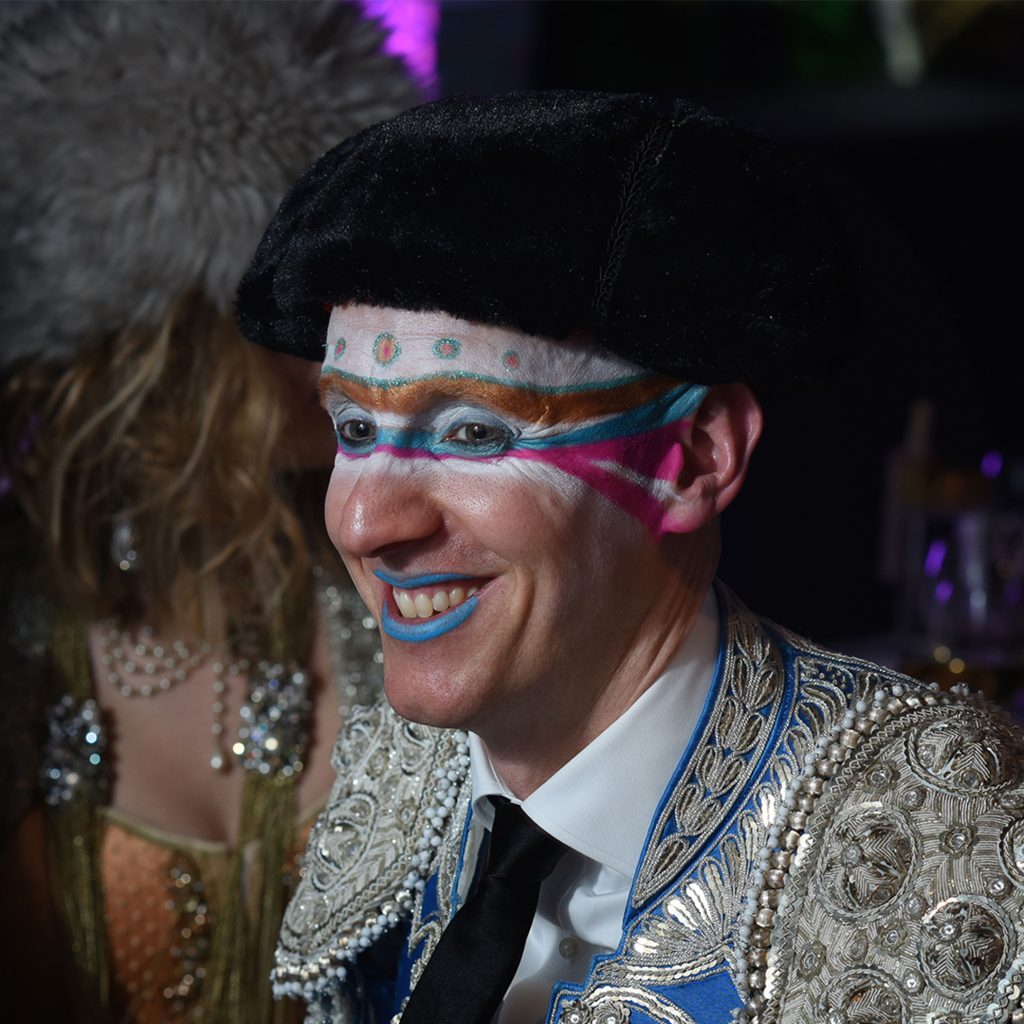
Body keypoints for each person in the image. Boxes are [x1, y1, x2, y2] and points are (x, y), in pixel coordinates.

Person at [235, 92, 1024, 1024]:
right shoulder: (402, 768)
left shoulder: (942, 843)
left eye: (475, 432)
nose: (365, 521)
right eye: (355, 428)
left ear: (691, 459)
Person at [0, 3, 419, 1021]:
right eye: (310, 296)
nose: (361, 337)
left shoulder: (408, 581)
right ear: (172, 341)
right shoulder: (16, 634)